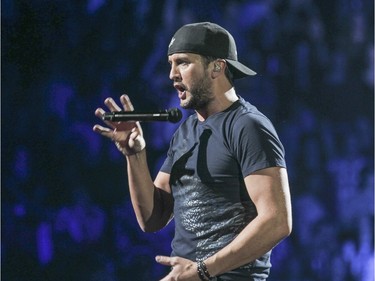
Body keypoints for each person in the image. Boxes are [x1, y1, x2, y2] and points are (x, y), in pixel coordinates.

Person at [93, 22, 292, 281]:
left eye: (183, 63)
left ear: (217, 67)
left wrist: (202, 271)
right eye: (170, 63)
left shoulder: (247, 126)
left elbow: (277, 222)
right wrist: (135, 155)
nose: (172, 74)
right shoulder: (186, 131)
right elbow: (152, 218)